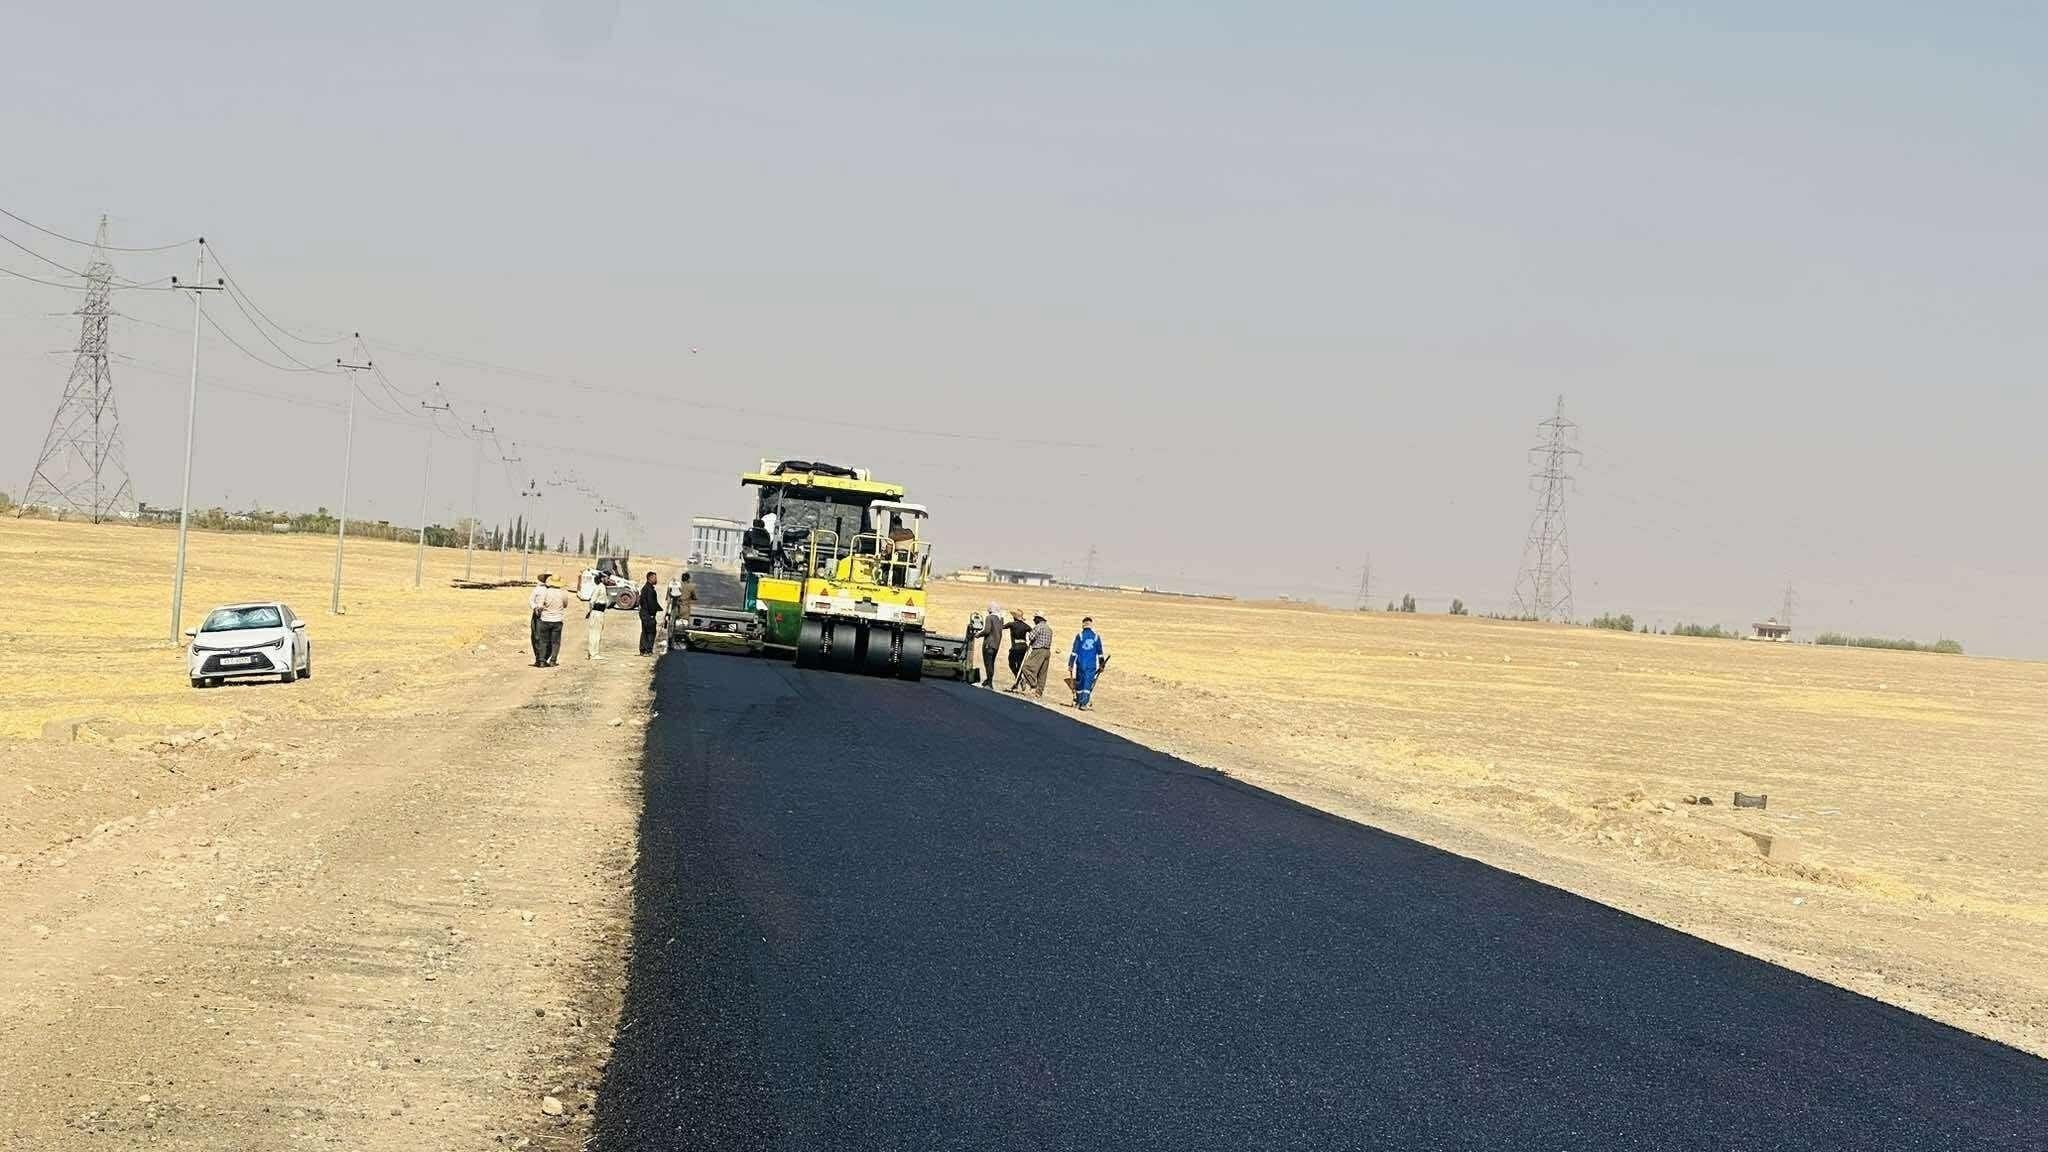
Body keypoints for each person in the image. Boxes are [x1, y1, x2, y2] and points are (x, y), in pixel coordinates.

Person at [1069, 616, 1109, 709]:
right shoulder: (1096, 637)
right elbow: (1100, 653)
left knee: (1080, 682)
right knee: (1087, 683)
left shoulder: (1079, 636)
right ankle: (1084, 703)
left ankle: (1078, 702)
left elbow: (1074, 652)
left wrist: (1070, 664)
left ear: (1083, 625)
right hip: (1091, 664)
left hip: (1080, 663)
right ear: (1091, 625)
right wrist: (1102, 664)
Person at [536, 575, 571, 666]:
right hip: (557, 620)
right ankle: (553, 660)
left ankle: (542, 661)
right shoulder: (563, 593)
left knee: (543, 641)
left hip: (545, 619)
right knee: (555, 642)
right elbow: (565, 605)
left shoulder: (546, 592)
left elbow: (539, 606)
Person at [1017, 612, 1054, 697]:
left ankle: (1033, 685)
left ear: (1039, 618)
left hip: (1038, 650)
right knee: (1042, 673)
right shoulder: (1048, 628)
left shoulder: (1038, 627)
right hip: (1047, 651)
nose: (1034, 620)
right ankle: (1039, 692)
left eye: (1035, 618)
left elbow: (1031, 637)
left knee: (1026, 667)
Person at [585, 572, 612, 660]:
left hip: (600, 612)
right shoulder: (599, 587)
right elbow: (592, 601)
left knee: (597, 633)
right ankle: (593, 653)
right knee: (595, 633)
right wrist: (590, 612)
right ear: (602, 578)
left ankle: (593, 652)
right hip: (596, 612)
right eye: (607, 578)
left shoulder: (603, 587)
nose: (608, 579)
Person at [637, 571, 663, 656]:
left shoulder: (645, 588)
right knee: (651, 632)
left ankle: (642, 650)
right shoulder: (649, 590)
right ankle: (648, 650)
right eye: (655, 578)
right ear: (650, 578)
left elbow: (642, 601)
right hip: (648, 614)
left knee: (645, 632)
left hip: (644, 613)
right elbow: (651, 603)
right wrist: (652, 614)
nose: (656, 579)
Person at [1005, 608, 1031, 688]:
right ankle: (1019, 680)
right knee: (1020, 664)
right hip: (1024, 647)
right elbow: (1032, 632)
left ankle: (1018, 679)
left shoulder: (1011, 624)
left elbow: (1001, 627)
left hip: (1015, 647)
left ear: (1014, 617)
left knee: (1011, 663)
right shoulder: (1025, 626)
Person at [979, 602, 1003, 688]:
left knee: (988, 664)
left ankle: (989, 683)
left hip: (988, 644)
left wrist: (978, 635)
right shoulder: (1000, 619)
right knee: (991, 663)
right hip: (996, 645)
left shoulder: (989, 617)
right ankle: (988, 681)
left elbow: (987, 630)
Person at [529, 573, 549, 666]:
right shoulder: (538, 589)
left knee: (538, 637)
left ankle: (541, 658)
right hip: (539, 614)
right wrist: (535, 608)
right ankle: (541, 658)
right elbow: (531, 600)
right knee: (538, 637)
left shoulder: (548, 590)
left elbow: (531, 600)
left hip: (545, 615)